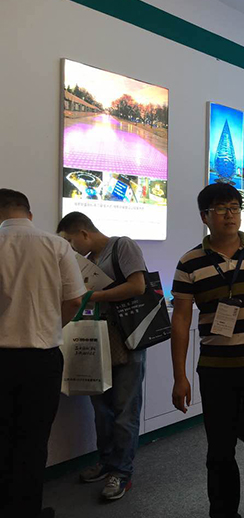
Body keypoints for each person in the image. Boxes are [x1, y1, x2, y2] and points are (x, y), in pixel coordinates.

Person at [171, 183, 244, 518]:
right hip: (218, 371)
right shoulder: (189, 262)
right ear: (204, 216)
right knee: (220, 451)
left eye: (234, 207)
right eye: (220, 208)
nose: (229, 214)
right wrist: (180, 376)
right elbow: (180, 320)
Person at [0, 189, 84, 518]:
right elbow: (74, 300)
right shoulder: (57, 245)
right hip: (42, 358)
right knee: (33, 441)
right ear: (30, 214)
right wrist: (51, 326)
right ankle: (27, 510)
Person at [57, 212, 148, 500]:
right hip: (97, 341)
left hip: (127, 339)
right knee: (102, 410)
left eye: (70, 241)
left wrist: (93, 296)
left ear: (84, 233)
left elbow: (138, 286)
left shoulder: (122, 246)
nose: (70, 248)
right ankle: (107, 461)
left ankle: (121, 472)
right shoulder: (87, 261)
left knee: (125, 411)